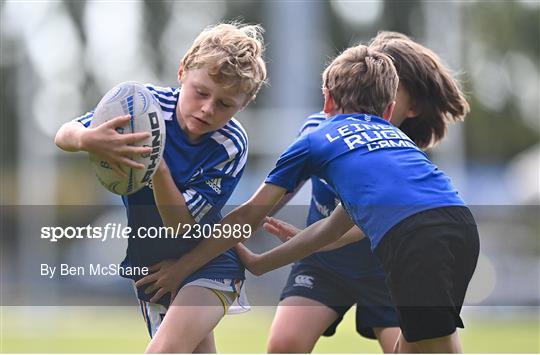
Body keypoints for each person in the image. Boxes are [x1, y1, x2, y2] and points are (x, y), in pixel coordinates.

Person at [136, 45, 479, 353]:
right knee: (427, 345)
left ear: (327, 99)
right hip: (460, 225)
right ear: (388, 110)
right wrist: (260, 263)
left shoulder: (316, 139)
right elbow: (334, 227)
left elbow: (249, 216)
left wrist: (185, 264)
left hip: (413, 238)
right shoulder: (392, 138)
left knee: (432, 348)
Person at [54, 22, 267, 353]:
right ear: (182, 71)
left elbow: (180, 226)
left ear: (244, 104)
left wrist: (157, 164)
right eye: (201, 92)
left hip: (208, 262)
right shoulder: (141, 105)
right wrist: (87, 138)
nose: (208, 108)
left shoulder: (230, 144)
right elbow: (64, 134)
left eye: (225, 104)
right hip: (153, 267)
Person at [262, 31, 471, 354]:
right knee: (284, 343)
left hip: (385, 264)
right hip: (324, 264)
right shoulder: (320, 130)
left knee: (414, 347)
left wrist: (314, 238)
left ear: (410, 106)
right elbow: (275, 195)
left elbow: (355, 224)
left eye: (391, 81)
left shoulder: (404, 154)